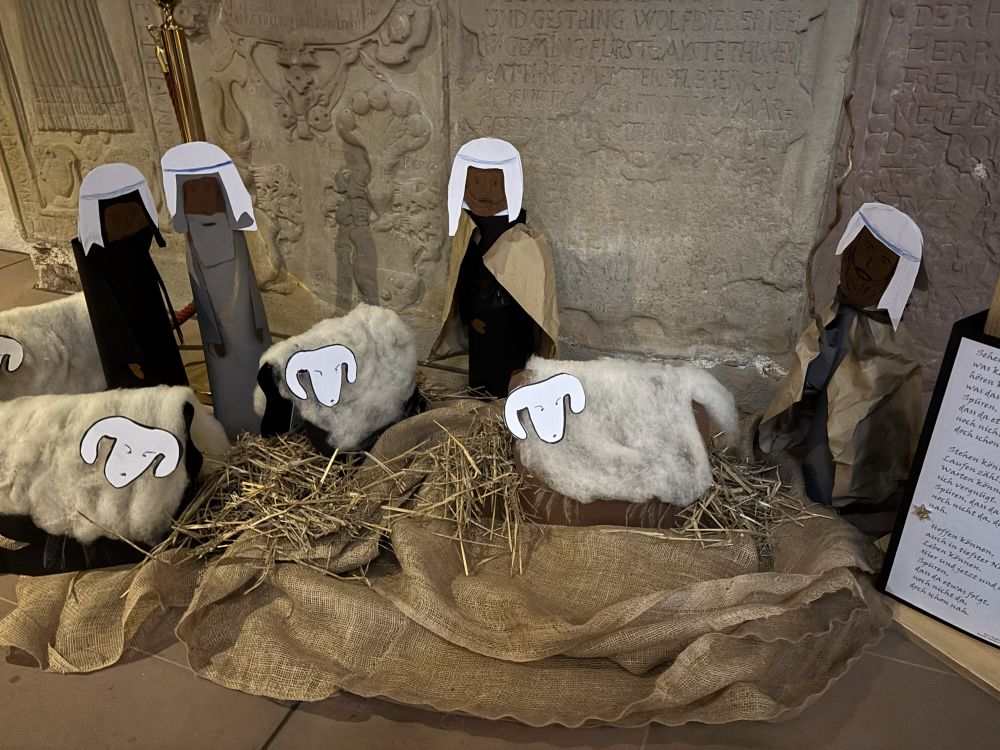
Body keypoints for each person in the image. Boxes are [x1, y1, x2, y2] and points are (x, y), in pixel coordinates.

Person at [758, 202, 926, 534]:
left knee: (829, 473)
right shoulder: (835, 315)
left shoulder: (894, 348)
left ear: (896, 277)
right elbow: (811, 366)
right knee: (812, 462)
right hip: (820, 419)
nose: (863, 266)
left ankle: (830, 512)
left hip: (853, 443)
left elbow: (887, 403)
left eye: (879, 263)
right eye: (860, 252)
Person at [429, 137, 559, 397]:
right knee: (483, 373)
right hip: (481, 321)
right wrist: (470, 315)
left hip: (514, 324)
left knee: (512, 370)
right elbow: (463, 278)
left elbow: (533, 290)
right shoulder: (469, 232)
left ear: (509, 182)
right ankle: (481, 395)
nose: (485, 192)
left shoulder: (523, 236)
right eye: (477, 182)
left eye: (495, 183)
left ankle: (513, 400)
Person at [160, 142, 270, 440]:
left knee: (258, 377)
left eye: (209, 188)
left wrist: (257, 323)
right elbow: (202, 293)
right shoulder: (193, 240)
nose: (203, 197)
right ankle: (236, 427)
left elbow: (246, 279)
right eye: (194, 191)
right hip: (219, 336)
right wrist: (213, 335)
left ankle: (267, 421)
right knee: (229, 383)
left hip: (247, 324)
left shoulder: (233, 232)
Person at [72, 163, 187, 389]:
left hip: (156, 336)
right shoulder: (98, 264)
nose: (127, 224)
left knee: (171, 382)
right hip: (136, 361)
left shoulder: (137, 252)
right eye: (117, 219)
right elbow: (108, 316)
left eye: (133, 215)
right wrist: (128, 355)